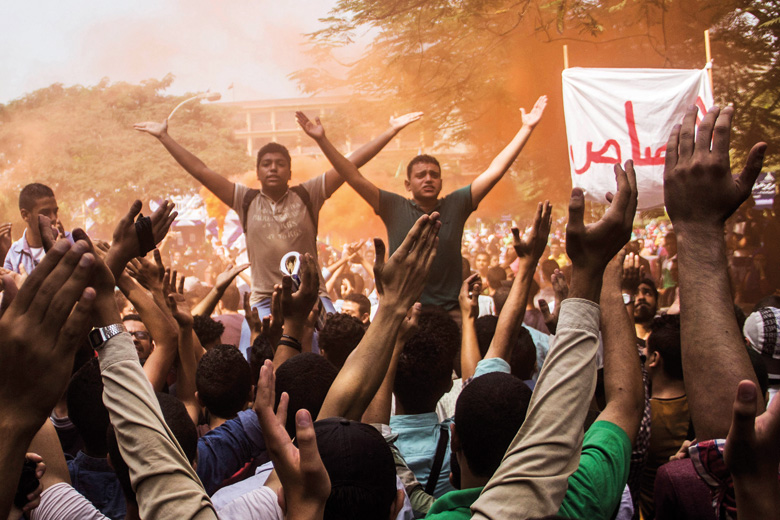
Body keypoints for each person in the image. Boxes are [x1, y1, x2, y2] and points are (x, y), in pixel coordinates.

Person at [134, 112, 423, 318]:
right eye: (267, 164)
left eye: (280, 164)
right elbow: (201, 170)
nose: (273, 168)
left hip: (315, 299)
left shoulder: (309, 194)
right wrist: (164, 137)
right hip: (264, 302)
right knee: (256, 367)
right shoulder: (244, 199)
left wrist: (391, 130)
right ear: (258, 172)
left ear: (289, 172)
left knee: (337, 351)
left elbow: (351, 163)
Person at [297, 96, 547, 312]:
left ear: (440, 181)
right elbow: (351, 174)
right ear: (408, 185)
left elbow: (495, 170)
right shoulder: (392, 205)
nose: (428, 178)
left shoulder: (457, 203)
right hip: (403, 312)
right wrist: (322, 141)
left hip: (450, 311)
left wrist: (526, 128)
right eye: (420, 175)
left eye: (433, 174)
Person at [4, 183, 72, 274]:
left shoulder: (70, 241)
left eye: (55, 212)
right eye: (45, 213)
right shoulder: (15, 253)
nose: (53, 218)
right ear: (25, 215)